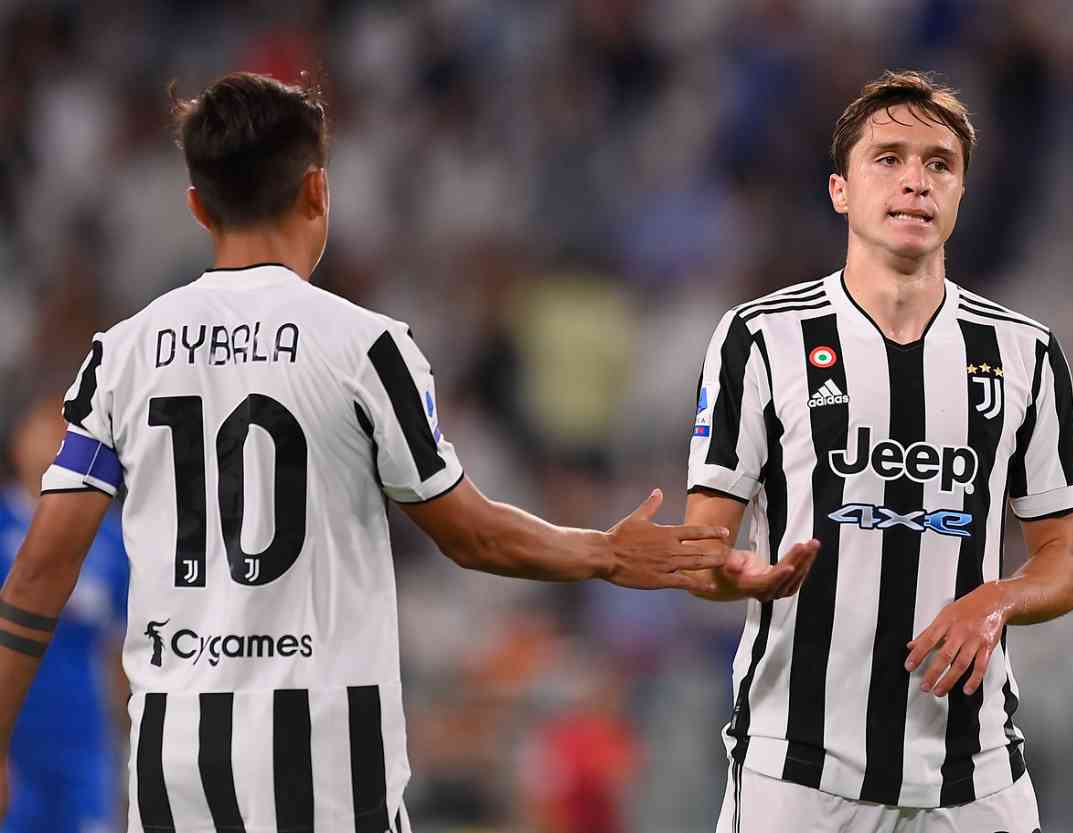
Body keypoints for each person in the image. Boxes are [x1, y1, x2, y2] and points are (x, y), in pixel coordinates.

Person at [0, 72, 817, 833]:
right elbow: (472, 535)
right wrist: (605, 551)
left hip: (175, 761)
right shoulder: (365, 348)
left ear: (196, 206)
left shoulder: (121, 354)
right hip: (326, 760)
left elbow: (39, 572)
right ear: (317, 191)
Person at [686, 70, 1073, 833]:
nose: (916, 180)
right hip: (798, 769)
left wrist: (995, 598)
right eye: (889, 158)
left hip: (975, 772)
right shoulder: (760, 338)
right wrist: (725, 571)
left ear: (961, 193)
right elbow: (705, 545)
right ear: (840, 190)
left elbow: (1063, 561)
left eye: (939, 164)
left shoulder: (1025, 353)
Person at [0, 397, 130, 833]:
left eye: (67, 435)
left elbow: (123, 644)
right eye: (45, 431)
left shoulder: (113, 537)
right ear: (18, 443)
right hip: (14, 738)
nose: (56, 445)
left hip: (83, 739)